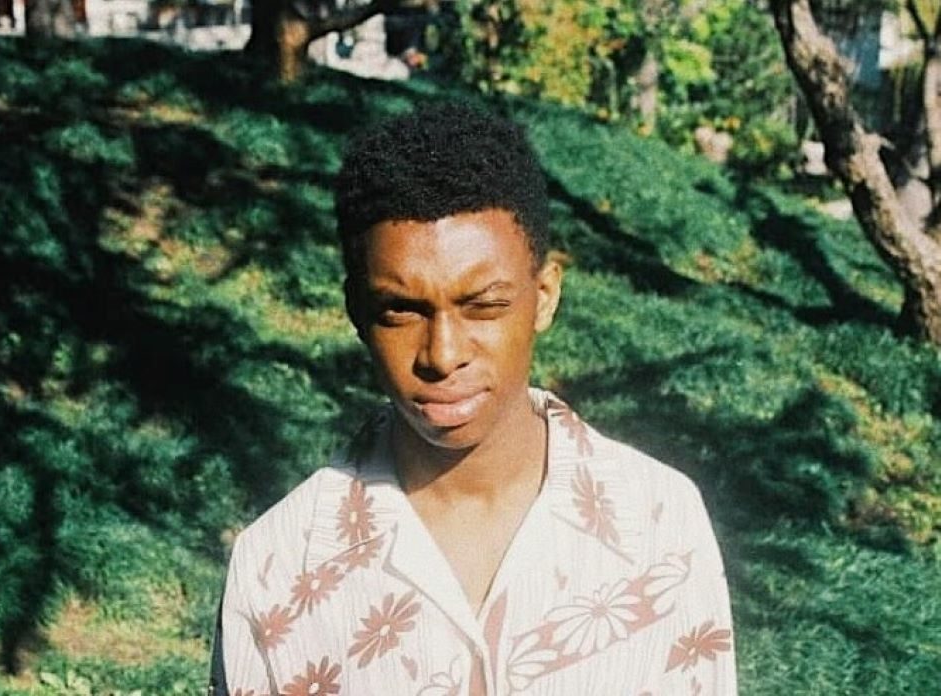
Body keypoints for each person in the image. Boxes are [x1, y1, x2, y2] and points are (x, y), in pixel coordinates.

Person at [211, 103, 737, 695]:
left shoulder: (661, 524)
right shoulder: (278, 567)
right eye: (401, 311)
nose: (442, 354)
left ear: (544, 296)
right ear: (357, 310)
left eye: (484, 306)